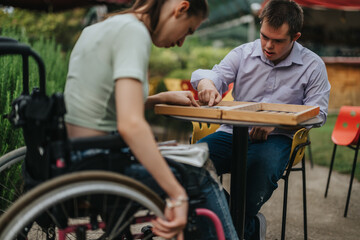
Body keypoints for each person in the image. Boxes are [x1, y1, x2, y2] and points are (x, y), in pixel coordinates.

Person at [63, 0, 238, 239]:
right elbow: (130, 125)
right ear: (181, 8)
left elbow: (102, 104)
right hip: (103, 163)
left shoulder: (98, 28)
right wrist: (177, 195)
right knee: (199, 173)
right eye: (187, 30)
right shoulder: (133, 33)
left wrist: (159, 98)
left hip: (77, 153)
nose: (181, 42)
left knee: (181, 157)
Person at [190, 0, 331, 239]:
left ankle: (228, 226)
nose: (268, 45)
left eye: (278, 41)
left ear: (295, 37)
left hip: (278, 139)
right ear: (261, 25)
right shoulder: (243, 53)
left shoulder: (313, 65)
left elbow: (319, 113)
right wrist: (206, 84)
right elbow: (213, 75)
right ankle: (247, 227)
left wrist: (277, 121)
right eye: (264, 36)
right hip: (231, 133)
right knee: (190, 164)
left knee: (259, 168)